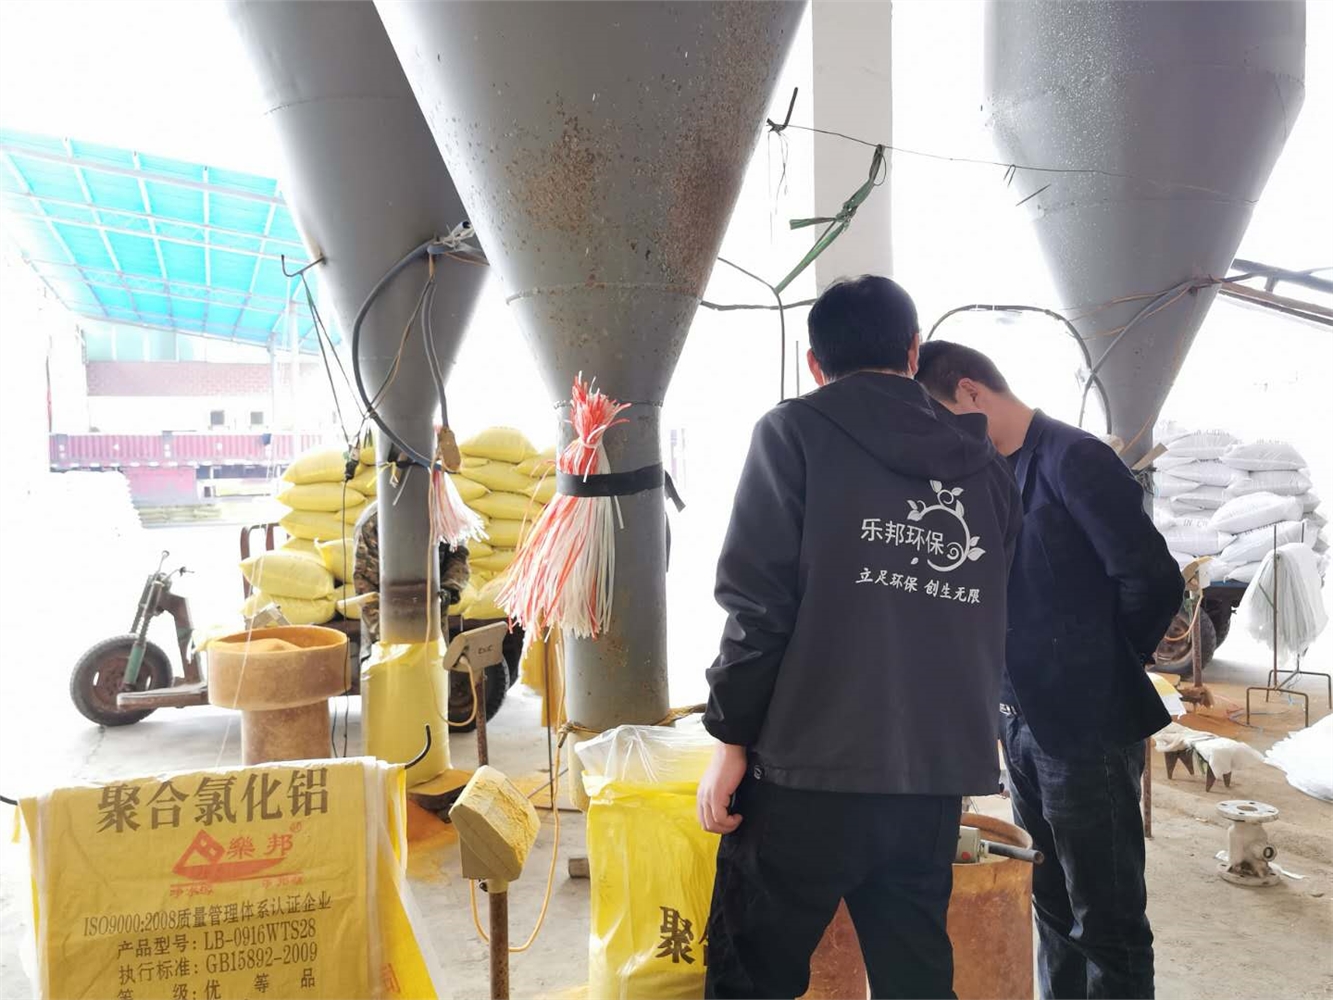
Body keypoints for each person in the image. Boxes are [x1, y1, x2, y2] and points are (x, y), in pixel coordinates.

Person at [698, 276, 1023, 1000]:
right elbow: (984, 614)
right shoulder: (988, 471)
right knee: (914, 978)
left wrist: (729, 741)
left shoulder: (792, 433)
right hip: (928, 778)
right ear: (913, 351)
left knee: (752, 977)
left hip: (804, 774)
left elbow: (758, 606)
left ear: (815, 363)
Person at [916, 341, 1183, 1000]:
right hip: (1018, 719)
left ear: (971, 393)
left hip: (1085, 725)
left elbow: (1151, 580)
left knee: (1106, 918)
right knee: (1051, 903)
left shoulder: (1074, 459)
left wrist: (1103, 663)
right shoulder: (988, 471)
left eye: (941, 419)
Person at [351, 499, 470, 653]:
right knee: (391, 667)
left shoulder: (444, 512)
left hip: (433, 624)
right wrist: (387, 635)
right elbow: (365, 583)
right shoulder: (374, 520)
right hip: (385, 631)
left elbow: (458, 556)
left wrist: (448, 589)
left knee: (433, 665)